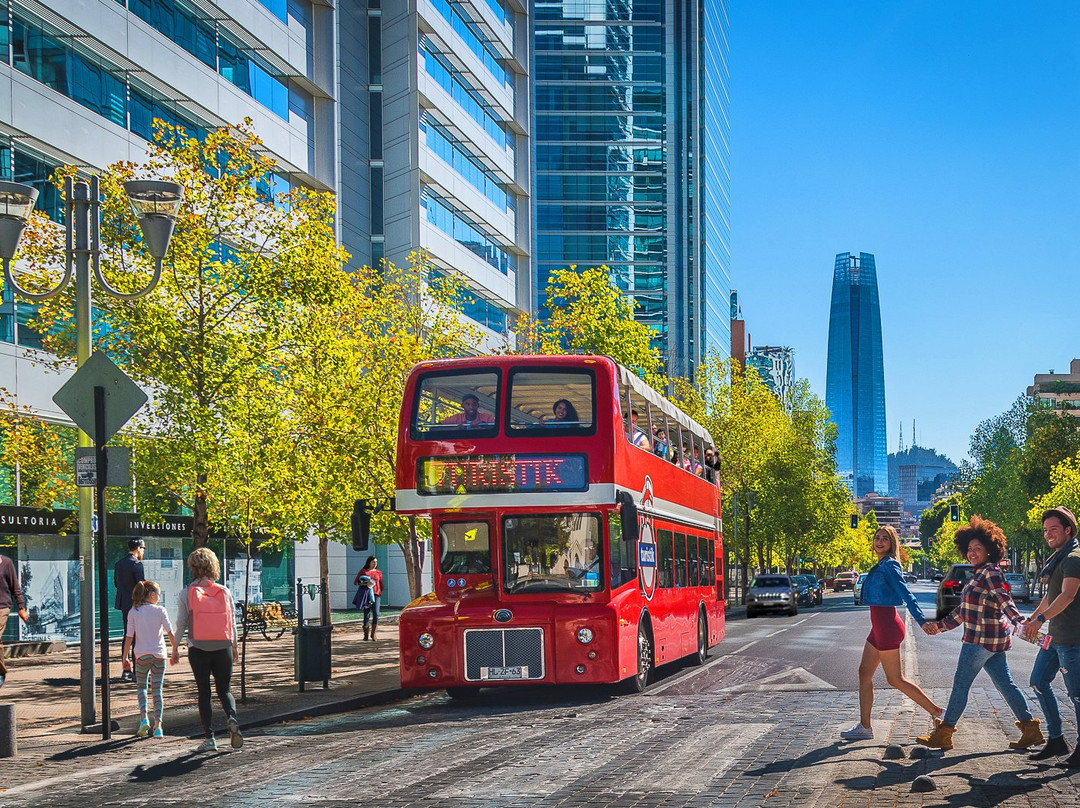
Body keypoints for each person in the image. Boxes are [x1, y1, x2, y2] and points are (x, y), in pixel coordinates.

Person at [917, 516, 1043, 751]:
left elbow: (1005, 599)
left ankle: (944, 733)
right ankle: (1030, 729)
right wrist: (941, 626)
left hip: (979, 641)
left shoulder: (990, 573)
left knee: (961, 685)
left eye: (978, 548)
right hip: (994, 641)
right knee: (1006, 685)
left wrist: (1019, 620)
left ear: (990, 550)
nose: (973, 553)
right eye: (970, 549)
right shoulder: (978, 574)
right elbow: (964, 610)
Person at [841, 525, 942, 740]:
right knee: (864, 673)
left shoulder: (890, 566)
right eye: (877, 537)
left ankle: (938, 713)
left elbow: (906, 594)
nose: (879, 542)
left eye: (884, 539)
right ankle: (865, 727)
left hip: (887, 626)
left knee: (895, 679)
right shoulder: (880, 565)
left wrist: (922, 621)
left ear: (891, 543)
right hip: (878, 628)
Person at [1023, 506, 1080, 766]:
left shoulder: (1074, 558)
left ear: (1068, 529)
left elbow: (1067, 595)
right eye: (1046, 530)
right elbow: (1050, 595)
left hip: (1073, 640)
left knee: (1077, 695)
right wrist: (1033, 619)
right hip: (1055, 639)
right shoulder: (1059, 557)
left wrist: (1041, 619)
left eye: (1053, 529)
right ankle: (1057, 739)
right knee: (1038, 682)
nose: (1048, 535)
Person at [171, 548, 243, 752]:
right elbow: (232, 622)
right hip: (223, 646)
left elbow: (181, 623)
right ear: (214, 566)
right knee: (225, 689)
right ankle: (232, 717)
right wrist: (234, 646)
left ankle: (210, 738)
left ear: (192, 567)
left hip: (198, 647)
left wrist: (175, 648)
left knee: (204, 691)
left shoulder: (187, 593)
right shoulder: (225, 591)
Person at [123, 580, 177, 739]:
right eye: (159, 595)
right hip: (159, 656)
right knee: (157, 690)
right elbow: (170, 632)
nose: (159, 598)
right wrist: (175, 649)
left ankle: (143, 719)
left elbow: (128, 637)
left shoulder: (133, 611)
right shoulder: (161, 611)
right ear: (152, 595)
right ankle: (158, 726)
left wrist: (125, 657)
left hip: (141, 656)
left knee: (142, 688)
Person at [115, 538, 146, 682]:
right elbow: (141, 587)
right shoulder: (137, 565)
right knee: (137, 637)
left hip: (124, 604)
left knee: (127, 635)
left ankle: (125, 670)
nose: (143, 552)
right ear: (138, 549)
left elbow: (116, 583)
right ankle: (137, 671)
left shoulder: (119, 564)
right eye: (143, 549)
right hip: (136, 605)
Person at [0, 554, 28, 688]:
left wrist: (21, 607)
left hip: (2, 607)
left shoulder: (6, 563)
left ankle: (0, 673)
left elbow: (15, 587)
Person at [356, 556, 383, 641]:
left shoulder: (379, 572)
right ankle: (366, 634)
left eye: (376, 562)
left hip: (376, 594)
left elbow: (381, 583)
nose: (375, 564)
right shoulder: (363, 571)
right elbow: (356, 582)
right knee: (366, 614)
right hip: (366, 594)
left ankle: (373, 633)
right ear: (369, 562)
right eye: (373, 562)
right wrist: (366, 584)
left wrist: (380, 590)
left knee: (376, 613)